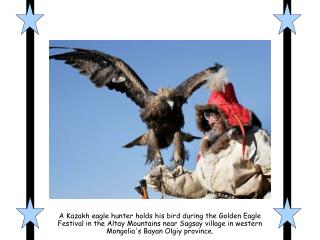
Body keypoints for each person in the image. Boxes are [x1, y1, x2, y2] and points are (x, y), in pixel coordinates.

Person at [145, 66, 271, 199]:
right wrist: (163, 180)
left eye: (214, 115)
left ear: (227, 115)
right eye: (207, 115)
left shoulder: (253, 139)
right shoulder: (208, 151)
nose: (210, 121)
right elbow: (198, 184)